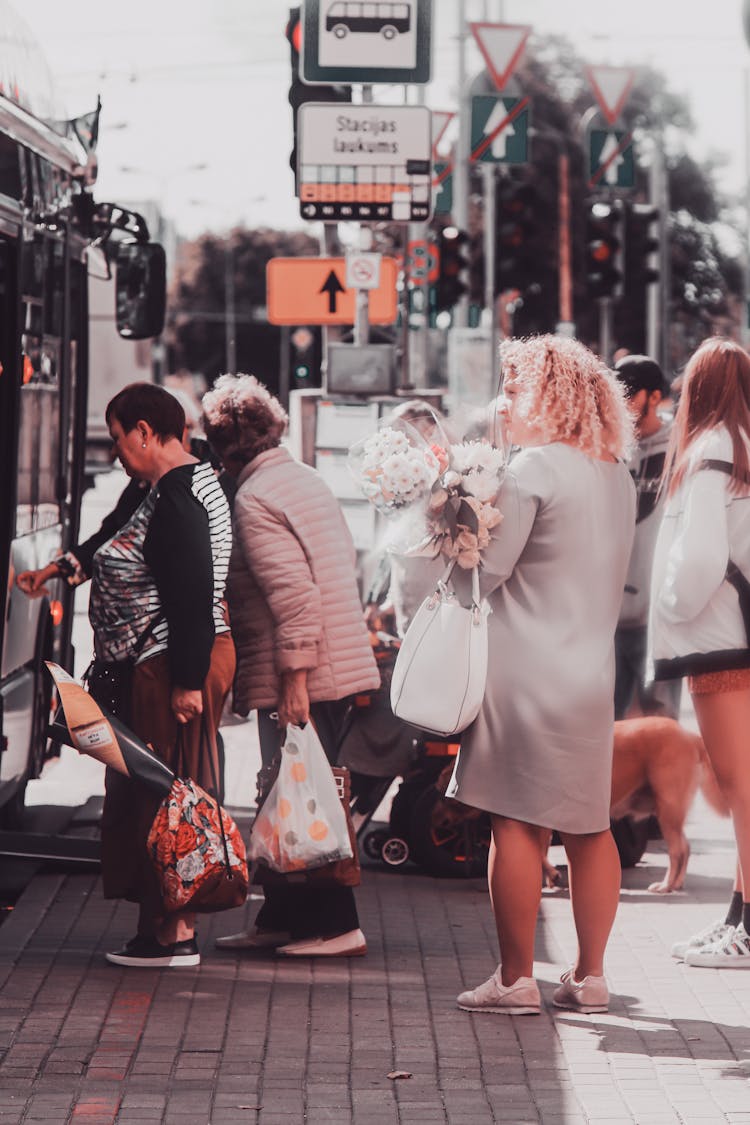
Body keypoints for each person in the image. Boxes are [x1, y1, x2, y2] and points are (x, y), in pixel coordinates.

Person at [447, 334, 636, 1015]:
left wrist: (455, 523)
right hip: (591, 670)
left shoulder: (531, 470)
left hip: (524, 670)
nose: (505, 402)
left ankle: (516, 976)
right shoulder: (613, 470)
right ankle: (590, 976)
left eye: (514, 388)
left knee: (516, 824)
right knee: (591, 825)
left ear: (546, 395)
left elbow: (487, 570)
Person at [17, 383, 235, 969]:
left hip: (170, 665)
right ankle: (159, 929)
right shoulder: (162, 486)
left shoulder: (182, 497)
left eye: (117, 438)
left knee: (166, 791)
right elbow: (112, 533)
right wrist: (62, 569)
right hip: (159, 662)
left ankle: (177, 933)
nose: (115, 451)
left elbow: (195, 593)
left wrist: (187, 680)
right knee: (153, 788)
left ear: (144, 430)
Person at [201, 373, 380, 957]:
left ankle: (334, 925)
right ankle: (280, 915)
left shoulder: (254, 499)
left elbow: (295, 596)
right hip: (330, 658)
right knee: (284, 789)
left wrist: (294, 681)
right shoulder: (301, 477)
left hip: (304, 671)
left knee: (309, 795)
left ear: (224, 443)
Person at [649, 338, 750, 968]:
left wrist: (670, 602)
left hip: (720, 640)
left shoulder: (713, 445)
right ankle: (739, 916)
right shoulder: (737, 443)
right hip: (734, 635)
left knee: (743, 789)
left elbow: (703, 558)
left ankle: (746, 928)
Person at [613, 355, 681, 721]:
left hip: (658, 614)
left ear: (654, 397)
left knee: (658, 728)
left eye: (630, 394)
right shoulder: (609, 449)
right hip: (607, 612)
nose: (621, 404)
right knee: (609, 729)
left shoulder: (680, 447)